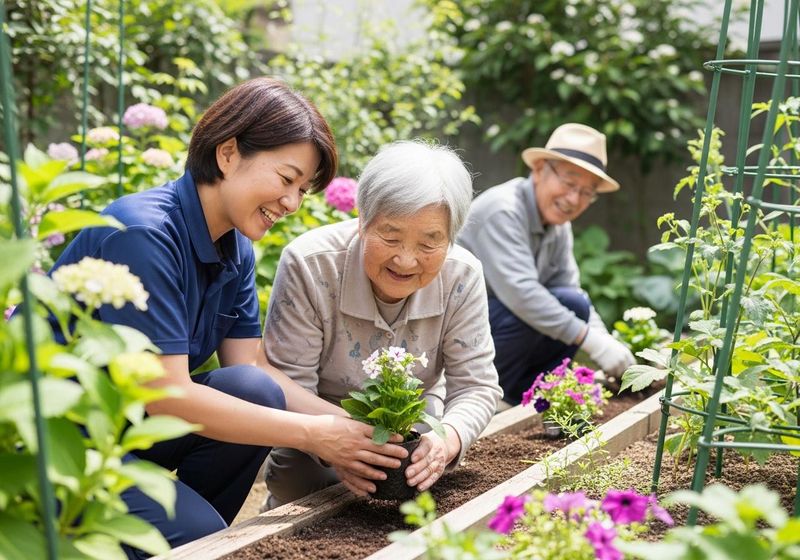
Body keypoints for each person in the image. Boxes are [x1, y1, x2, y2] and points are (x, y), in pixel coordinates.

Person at [47, 77, 409, 558]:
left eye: (303, 189)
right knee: (198, 535)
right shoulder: (144, 235)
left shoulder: (233, 245)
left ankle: (180, 533)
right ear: (228, 153)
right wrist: (314, 435)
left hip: (124, 431)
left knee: (253, 389)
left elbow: (255, 370)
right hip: (57, 443)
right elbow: (167, 397)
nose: (292, 203)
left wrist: (355, 432)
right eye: (286, 179)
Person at [262, 140, 502, 508]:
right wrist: (346, 441)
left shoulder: (462, 275)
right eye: (390, 236)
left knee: (418, 493)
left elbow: (477, 385)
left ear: (451, 237)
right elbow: (288, 385)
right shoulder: (311, 265)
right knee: (302, 485)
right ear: (362, 220)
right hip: (320, 432)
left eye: (429, 243)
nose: (406, 260)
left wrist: (447, 439)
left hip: (413, 430)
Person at [457, 123, 635, 408]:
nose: (574, 199)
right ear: (539, 169)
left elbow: (571, 291)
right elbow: (522, 294)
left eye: (587, 192)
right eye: (569, 182)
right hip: (459, 338)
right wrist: (590, 341)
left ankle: (518, 397)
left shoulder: (556, 225)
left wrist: (603, 339)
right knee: (546, 308)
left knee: (572, 303)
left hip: (495, 332)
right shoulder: (503, 210)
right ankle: (493, 396)